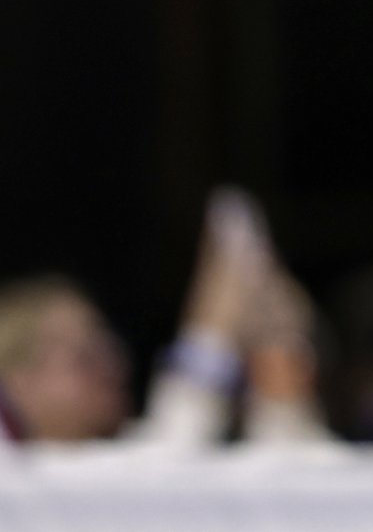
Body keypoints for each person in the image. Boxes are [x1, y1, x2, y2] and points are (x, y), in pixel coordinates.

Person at [0, 192, 329, 449]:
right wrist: (211, 333)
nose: (113, 366)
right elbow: (166, 462)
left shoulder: (122, 452)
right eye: (83, 356)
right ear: (16, 380)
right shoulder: (13, 474)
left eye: (110, 347)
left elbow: (290, 476)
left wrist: (276, 347)